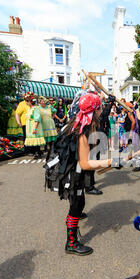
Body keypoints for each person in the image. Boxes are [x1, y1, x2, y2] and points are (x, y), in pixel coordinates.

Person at [51, 92, 118, 255]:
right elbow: (85, 163)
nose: (102, 109)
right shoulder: (83, 130)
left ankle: (74, 219)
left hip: (73, 170)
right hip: (74, 173)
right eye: (100, 107)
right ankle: (71, 243)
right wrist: (111, 162)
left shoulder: (79, 122)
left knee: (77, 203)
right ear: (94, 110)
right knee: (77, 204)